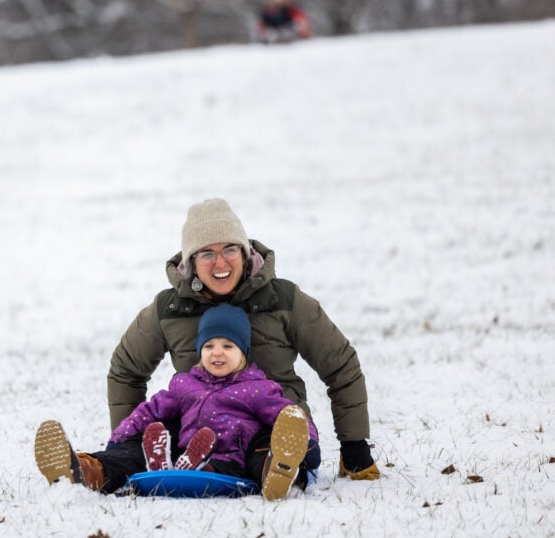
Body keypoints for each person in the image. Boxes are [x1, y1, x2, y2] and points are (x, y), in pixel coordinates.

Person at [107, 198, 381, 482]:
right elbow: (126, 370)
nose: (220, 262)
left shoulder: (284, 301)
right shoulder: (170, 309)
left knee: (271, 446)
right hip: (197, 434)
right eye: (206, 254)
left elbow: (340, 364)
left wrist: (354, 446)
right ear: (191, 262)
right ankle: (91, 471)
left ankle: (279, 471)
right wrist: (124, 437)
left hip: (271, 425)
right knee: (149, 441)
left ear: (245, 251)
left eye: (229, 249)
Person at [34, 305, 320, 500]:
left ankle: (279, 472)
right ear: (199, 351)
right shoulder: (185, 383)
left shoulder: (257, 388)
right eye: (209, 346)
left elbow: (285, 415)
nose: (216, 353)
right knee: (130, 456)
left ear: (243, 352)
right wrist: (122, 435)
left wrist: (307, 442)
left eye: (227, 346)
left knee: (262, 455)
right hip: (183, 454)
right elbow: (152, 409)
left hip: (232, 462)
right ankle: (84, 471)